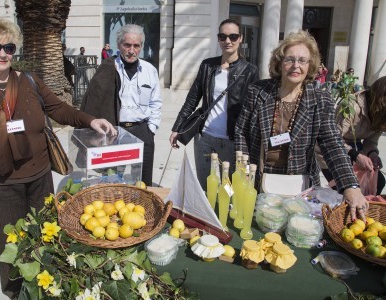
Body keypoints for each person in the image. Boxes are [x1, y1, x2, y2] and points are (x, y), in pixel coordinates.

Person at [0, 19, 117, 299]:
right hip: (0, 187)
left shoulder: (30, 81)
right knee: (12, 250)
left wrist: (91, 119)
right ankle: (17, 294)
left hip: (39, 180)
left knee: (45, 242)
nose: (2, 54)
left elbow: (59, 109)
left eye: (8, 47)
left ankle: (47, 290)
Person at [234, 30, 369, 222]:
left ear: (310, 65)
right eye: (290, 59)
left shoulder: (320, 99)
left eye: (302, 60)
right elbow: (241, 132)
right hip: (258, 180)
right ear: (279, 63)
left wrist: (350, 186)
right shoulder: (257, 91)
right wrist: (243, 170)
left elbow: (332, 143)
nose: (296, 65)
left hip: (299, 186)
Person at [169, 19, 259, 190]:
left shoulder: (250, 71)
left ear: (240, 38)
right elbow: (192, 99)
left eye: (233, 36)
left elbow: (253, 111)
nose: (228, 41)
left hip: (232, 141)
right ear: (218, 39)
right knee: (204, 186)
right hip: (205, 137)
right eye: (222, 36)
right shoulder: (208, 66)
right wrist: (177, 127)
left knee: (230, 189)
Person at [80, 24, 162, 186]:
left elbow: (156, 102)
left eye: (136, 45)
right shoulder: (109, 68)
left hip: (142, 130)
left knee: (144, 184)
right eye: (127, 45)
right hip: (116, 131)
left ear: (141, 47)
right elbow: (94, 101)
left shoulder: (149, 70)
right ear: (119, 45)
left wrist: (151, 129)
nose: (131, 50)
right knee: (114, 182)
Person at [319, 76, 386, 195]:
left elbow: (371, 141)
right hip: (329, 150)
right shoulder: (352, 107)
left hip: (353, 150)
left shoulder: (380, 115)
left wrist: (373, 154)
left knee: (379, 181)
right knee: (347, 186)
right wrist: (355, 155)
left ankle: (369, 209)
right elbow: (332, 138)